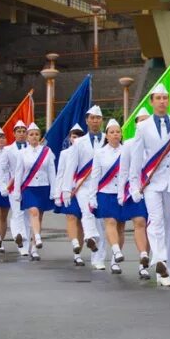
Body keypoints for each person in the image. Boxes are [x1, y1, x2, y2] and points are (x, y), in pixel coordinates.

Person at [129, 83, 170, 287]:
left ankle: (166, 270)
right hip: (151, 182)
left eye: (165, 98)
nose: (162, 101)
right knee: (156, 221)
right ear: (151, 102)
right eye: (158, 98)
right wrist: (134, 185)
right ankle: (160, 260)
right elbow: (136, 158)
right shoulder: (143, 127)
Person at [61, 106, 108, 270]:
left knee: (101, 222)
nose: (95, 121)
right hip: (83, 185)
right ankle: (89, 236)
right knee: (87, 212)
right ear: (87, 121)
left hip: (103, 185)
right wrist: (66, 189)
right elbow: (71, 166)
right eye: (92, 118)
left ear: (102, 120)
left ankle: (98, 258)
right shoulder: (79, 142)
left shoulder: (108, 139)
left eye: (98, 118)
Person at [12, 123, 57, 260]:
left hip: (43, 186)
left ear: (40, 136)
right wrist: (17, 191)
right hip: (29, 187)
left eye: (36, 134)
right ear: (27, 137)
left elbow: (51, 171)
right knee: (33, 212)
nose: (34, 137)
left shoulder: (47, 151)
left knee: (39, 217)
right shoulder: (22, 153)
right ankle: (37, 237)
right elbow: (18, 173)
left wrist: (53, 190)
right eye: (31, 134)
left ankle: (34, 248)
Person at [119, 108, 152, 279]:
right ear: (136, 124)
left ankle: (148, 259)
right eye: (141, 121)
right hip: (136, 189)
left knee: (152, 226)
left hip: (155, 189)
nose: (144, 124)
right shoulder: (129, 144)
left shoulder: (157, 143)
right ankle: (143, 257)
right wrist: (121, 193)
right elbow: (123, 170)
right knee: (139, 222)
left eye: (147, 120)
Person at [91, 118, 126, 274]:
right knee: (110, 222)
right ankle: (117, 250)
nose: (115, 135)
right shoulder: (100, 153)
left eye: (118, 132)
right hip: (105, 192)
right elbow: (95, 175)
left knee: (121, 227)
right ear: (106, 135)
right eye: (112, 132)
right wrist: (92, 196)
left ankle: (114, 261)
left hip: (122, 193)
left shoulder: (126, 151)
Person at [54, 124, 86, 266]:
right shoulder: (65, 153)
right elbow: (60, 174)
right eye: (74, 136)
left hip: (84, 190)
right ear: (70, 138)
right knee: (71, 217)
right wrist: (57, 194)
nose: (76, 139)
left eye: (79, 136)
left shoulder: (88, 152)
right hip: (69, 190)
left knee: (81, 222)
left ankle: (78, 253)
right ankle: (74, 243)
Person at [6, 120, 33, 255]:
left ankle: (25, 245)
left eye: (24, 132)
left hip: (29, 186)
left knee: (27, 215)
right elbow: (2, 169)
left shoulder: (33, 148)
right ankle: (19, 237)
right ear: (14, 134)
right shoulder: (8, 150)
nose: (21, 134)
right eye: (19, 132)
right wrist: (3, 186)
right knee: (17, 213)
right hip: (14, 186)